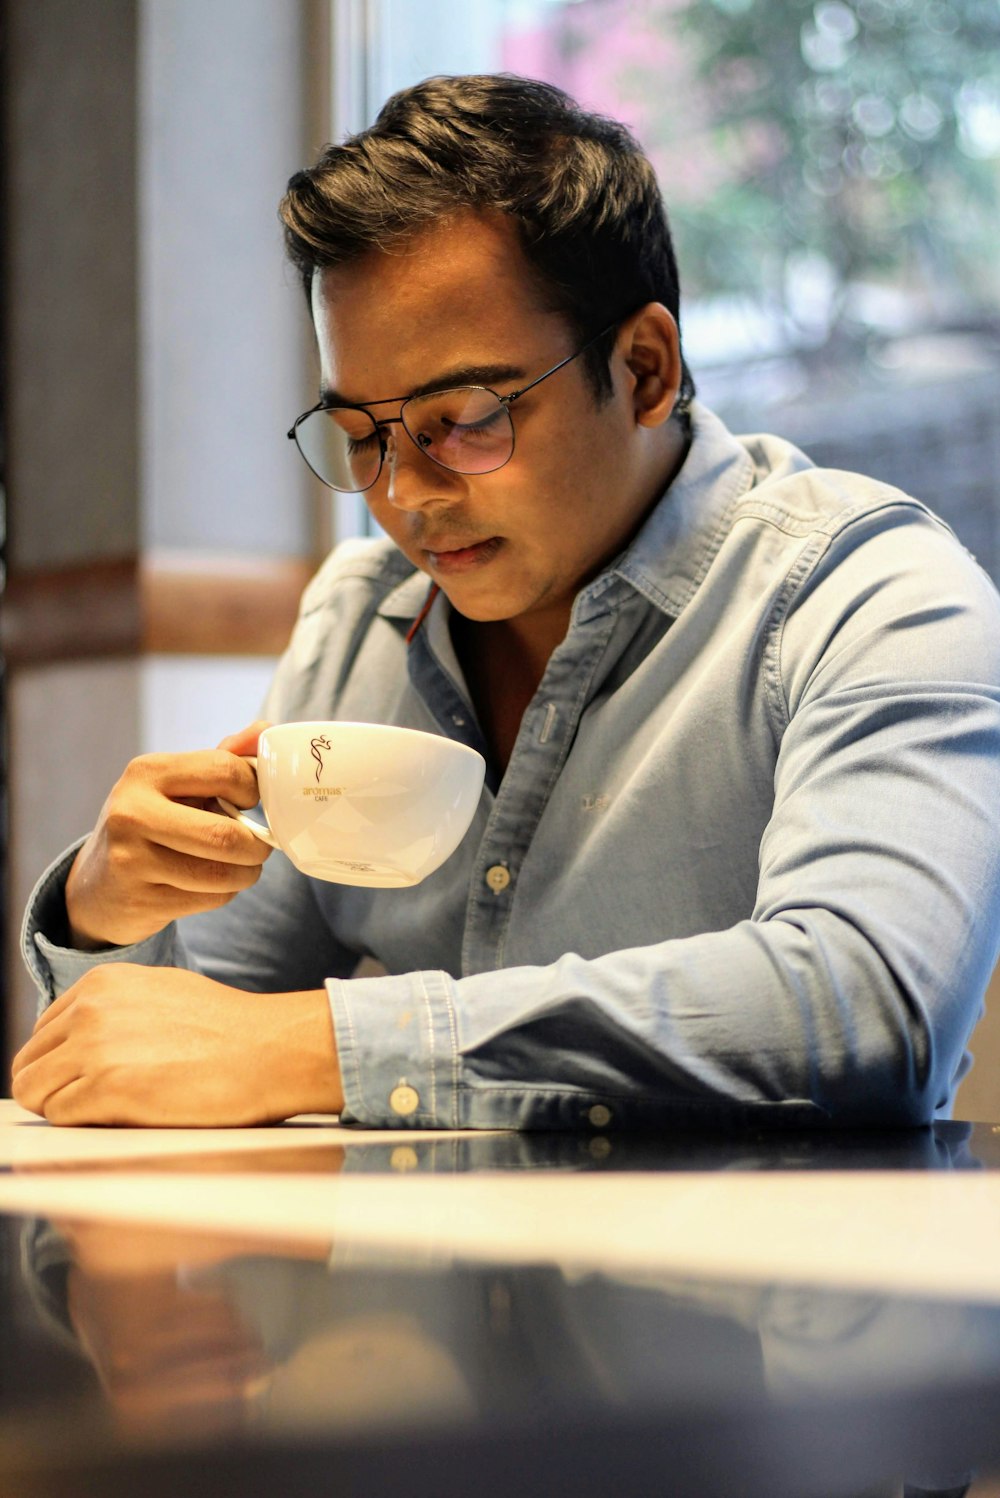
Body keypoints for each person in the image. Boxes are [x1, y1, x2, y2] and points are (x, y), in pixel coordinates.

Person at [12, 74, 1000, 1129]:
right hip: (423, 1283)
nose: (403, 497)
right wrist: (106, 916)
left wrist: (330, 1045)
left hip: (779, 1287)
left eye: (468, 417)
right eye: (361, 436)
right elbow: (204, 1032)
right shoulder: (363, 618)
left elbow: (863, 1006)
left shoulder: (865, 592)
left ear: (646, 368)